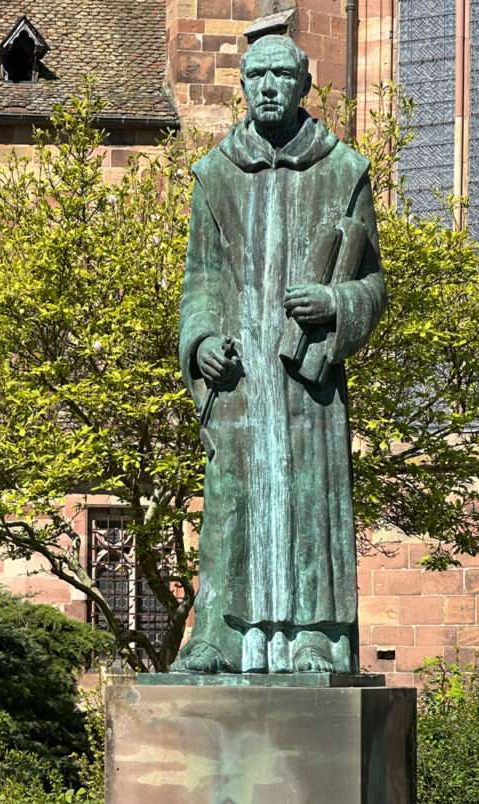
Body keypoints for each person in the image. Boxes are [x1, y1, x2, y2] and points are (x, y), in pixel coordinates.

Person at [174, 34, 386, 675]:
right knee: (232, 502)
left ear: (304, 85)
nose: (268, 87)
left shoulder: (344, 171)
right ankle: (219, 634)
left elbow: (373, 285)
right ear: (242, 84)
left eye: (282, 76)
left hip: (305, 380)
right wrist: (202, 343)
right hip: (241, 378)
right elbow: (202, 281)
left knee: (310, 499)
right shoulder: (214, 175)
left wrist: (335, 302)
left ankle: (317, 635)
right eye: (257, 76)